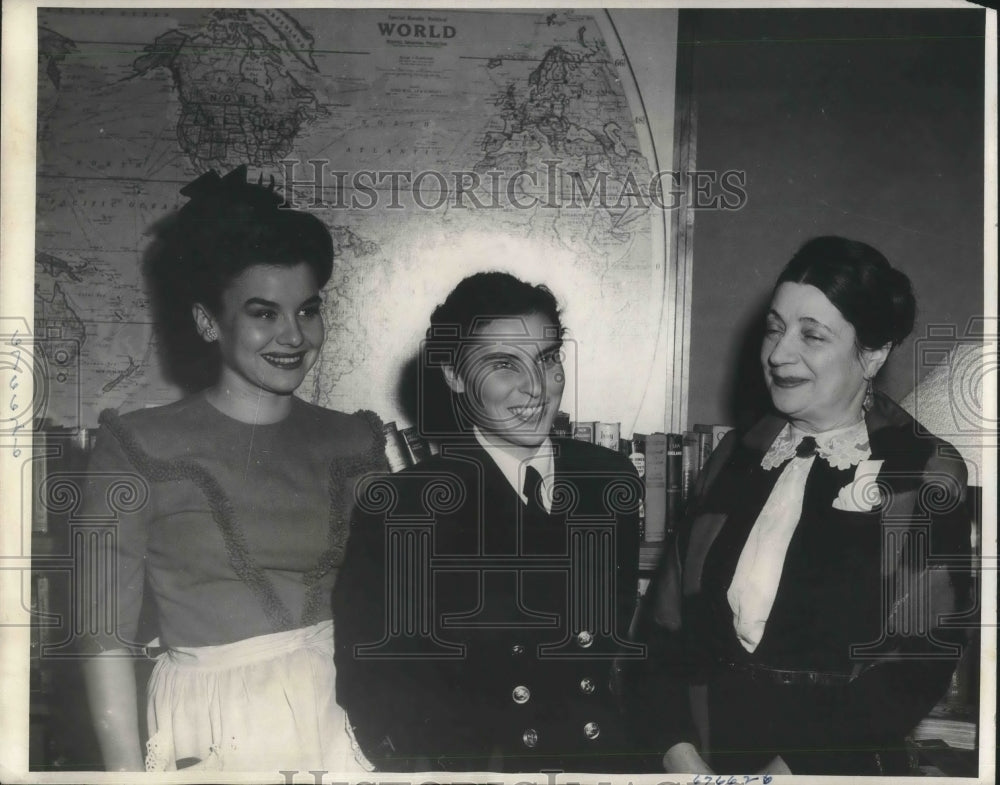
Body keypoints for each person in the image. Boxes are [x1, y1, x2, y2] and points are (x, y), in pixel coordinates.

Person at [78, 166, 385, 772]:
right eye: (264, 313)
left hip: (346, 725)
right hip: (211, 731)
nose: (293, 336)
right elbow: (101, 640)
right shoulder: (134, 445)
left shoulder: (356, 440)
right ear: (207, 322)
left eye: (308, 310)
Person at [631, 236, 973, 776]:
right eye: (775, 327)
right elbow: (663, 631)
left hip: (832, 767)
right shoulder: (733, 455)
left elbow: (916, 664)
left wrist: (788, 772)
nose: (778, 354)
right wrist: (680, 753)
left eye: (811, 335)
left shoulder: (924, 472)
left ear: (873, 354)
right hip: (706, 759)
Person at [334, 271, 654, 772]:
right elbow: (373, 682)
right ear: (455, 376)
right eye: (504, 365)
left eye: (548, 359)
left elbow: (615, 649)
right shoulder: (407, 507)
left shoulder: (606, 479)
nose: (537, 388)